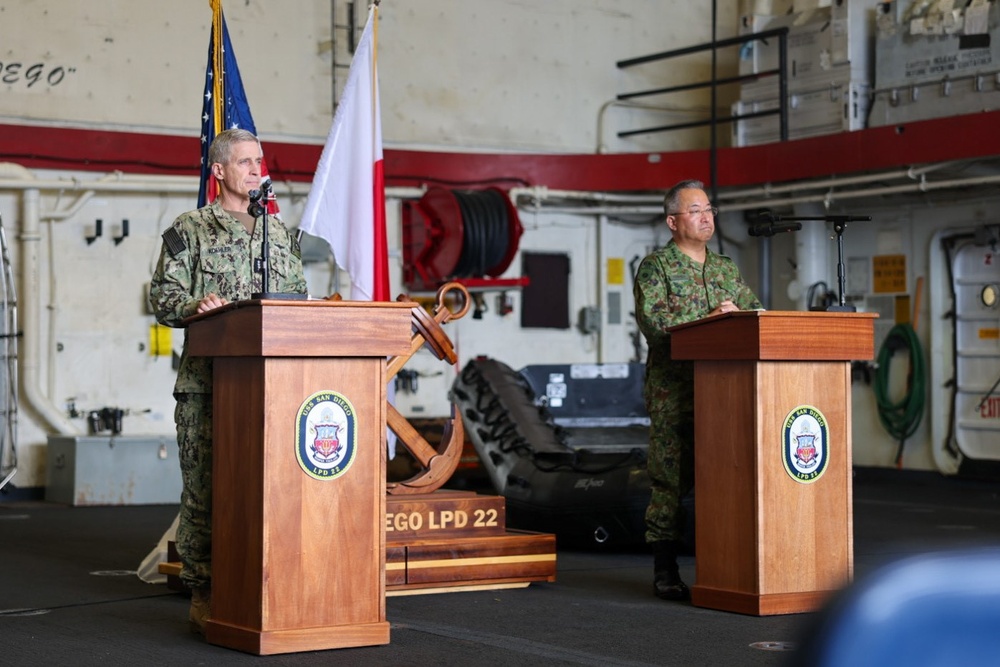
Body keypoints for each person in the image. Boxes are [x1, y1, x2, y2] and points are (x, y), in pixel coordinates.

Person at [148, 128, 307, 633]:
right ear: (219, 171)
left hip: (274, 388)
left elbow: (299, 300)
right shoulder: (190, 229)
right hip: (209, 385)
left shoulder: (278, 233)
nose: (257, 169)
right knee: (205, 490)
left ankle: (265, 584)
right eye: (245, 162)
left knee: (271, 489)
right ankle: (204, 589)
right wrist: (197, 306)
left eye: (259, 160)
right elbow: (164, 302)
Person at [633, 179, 762, 601]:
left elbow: (755, 313)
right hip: (677, 393)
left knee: (728, 480)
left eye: (709, 209)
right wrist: (711, 315)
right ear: (673, 221)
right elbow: (656, 326)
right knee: (670, 480)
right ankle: (665, 569)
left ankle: (724, 567)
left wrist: (739, 315)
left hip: (728, 394)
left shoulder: (726, 268)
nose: (706, 217)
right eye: (695, 210)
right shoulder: (657, 268)